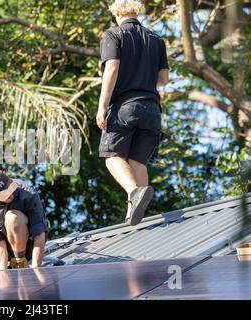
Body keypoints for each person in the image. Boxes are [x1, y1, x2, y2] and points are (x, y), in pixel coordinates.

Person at [96, 0, 170, 225]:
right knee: (138, 162)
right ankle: (135, 216)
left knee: (112, 157)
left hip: (124, 108)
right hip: (152, 110)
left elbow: (112, 68)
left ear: (116, 13)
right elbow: (164, 79)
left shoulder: (114, 34)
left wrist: (103, 105)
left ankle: (133, 192)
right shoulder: (156, 40)